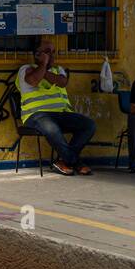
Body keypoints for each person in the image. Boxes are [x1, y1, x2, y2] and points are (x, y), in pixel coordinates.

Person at [17, 37, 97, 176]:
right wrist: (43, 65)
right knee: (52, 128)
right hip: (35, 115)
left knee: (88, 125)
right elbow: (34, 80)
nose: (52, 55)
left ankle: (63, 161)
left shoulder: (58, 69)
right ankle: (75, 162)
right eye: (48, 52)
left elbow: (61, 82)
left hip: (61, 114)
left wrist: (45, 68)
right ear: (37, 54)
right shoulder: (26, 69)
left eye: (54, 52)